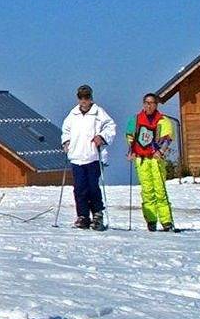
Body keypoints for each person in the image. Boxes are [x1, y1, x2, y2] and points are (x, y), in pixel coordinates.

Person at [61, 84, 116, 231]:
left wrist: (102, 137)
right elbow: (65, 130)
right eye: (81, 97)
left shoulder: (99, 113)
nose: (84, 100)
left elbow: (111, 127)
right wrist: (66, 142)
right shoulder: (72, 115)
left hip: (93, 156)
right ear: (78, 98)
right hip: (77, 156)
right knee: (79, 188)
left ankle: (97, 214)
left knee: (92, 187)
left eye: (86, 97)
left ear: (91, 98)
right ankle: (83, 216)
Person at [126, 93, 176, 231]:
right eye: (146, 103)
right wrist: (131, 150)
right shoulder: (135, 120)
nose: (149, 105)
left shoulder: (163, 120)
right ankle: (151, 220)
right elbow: (131, 137)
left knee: (160, 190)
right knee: (147, 191)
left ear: (156, 104)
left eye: (152, 103)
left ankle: (166, 221)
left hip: (155, 159)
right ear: (143, 104)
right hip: (141, 160)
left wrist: (161, 151)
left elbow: (167, 139)